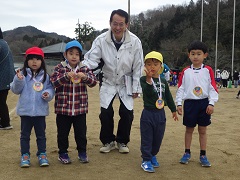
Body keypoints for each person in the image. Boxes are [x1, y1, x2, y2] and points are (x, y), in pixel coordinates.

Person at [82, 9, 144, 154]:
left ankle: (122, 141)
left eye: (121, 24)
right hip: (108, 79)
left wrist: (136, 88)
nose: (117, 27)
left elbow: (138, 66)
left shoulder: (135, 42)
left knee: (127, 112)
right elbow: (91, 60)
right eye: (115, 24)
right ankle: (108, 140)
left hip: (126, 79)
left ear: (127, 25)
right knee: (105, 112)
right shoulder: (101, 40)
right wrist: (80, 70)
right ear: (110, 23)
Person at [50, 40, 97, 164]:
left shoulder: (84, 68)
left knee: (81, 133)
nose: (74, 56)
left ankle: (82, 152)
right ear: (65, 55)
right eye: (71, 53)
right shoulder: (60, 68)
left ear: (80, 56)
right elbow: (53, 82)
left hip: (80, 108)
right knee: (62, 133)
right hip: (63, 108)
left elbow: (93, 83)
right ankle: (63, 153)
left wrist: (85, 77)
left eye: (77, 54)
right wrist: (66, 76)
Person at [176, 40, 218, 167]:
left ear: (205, 55)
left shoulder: (208, 70)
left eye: (199, 54)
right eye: (193, 53)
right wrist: (179, 103)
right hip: (189, 104)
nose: (195, 56)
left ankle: (203, 154)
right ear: (188, 55)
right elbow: (181, 88)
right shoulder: (185, 71)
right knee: (189, 130)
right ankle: (187, 152)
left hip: (204, 104)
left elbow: (212, 88)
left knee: (202, 130)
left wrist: (211, 103)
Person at [11, 47, 54, 167]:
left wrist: (48, 94)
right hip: (25, 112)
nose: (34, 62)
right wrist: (19, 80)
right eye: (31, 59)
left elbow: (51, 88)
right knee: (25, 135)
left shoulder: (46, 76)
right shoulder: (21, 74)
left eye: (37, 59)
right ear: (26, 60)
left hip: (40, 112)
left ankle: (42, 154)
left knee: (41, 135)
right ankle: (25, 155)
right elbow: (15, 90)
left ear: (42, 61)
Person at [140, 51, 178, 173]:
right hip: (148, 114)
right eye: (149, 64)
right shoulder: (143, 80)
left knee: (158, 138)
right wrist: (149, 80)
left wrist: (173, 110)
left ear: (161, 66)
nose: (152, 66)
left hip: (160, 114)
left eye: (155, 64)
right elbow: (148, 92)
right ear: (145, 66)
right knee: (147, 138)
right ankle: (146, 160)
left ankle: (153, 154)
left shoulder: (163, 81)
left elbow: (168, 97)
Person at [0, 27, 15, 130]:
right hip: (7, 77)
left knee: (1, 101)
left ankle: (5, 123)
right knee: (1, 100)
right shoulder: (3, 43)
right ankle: (4, 122)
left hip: (2, 78)